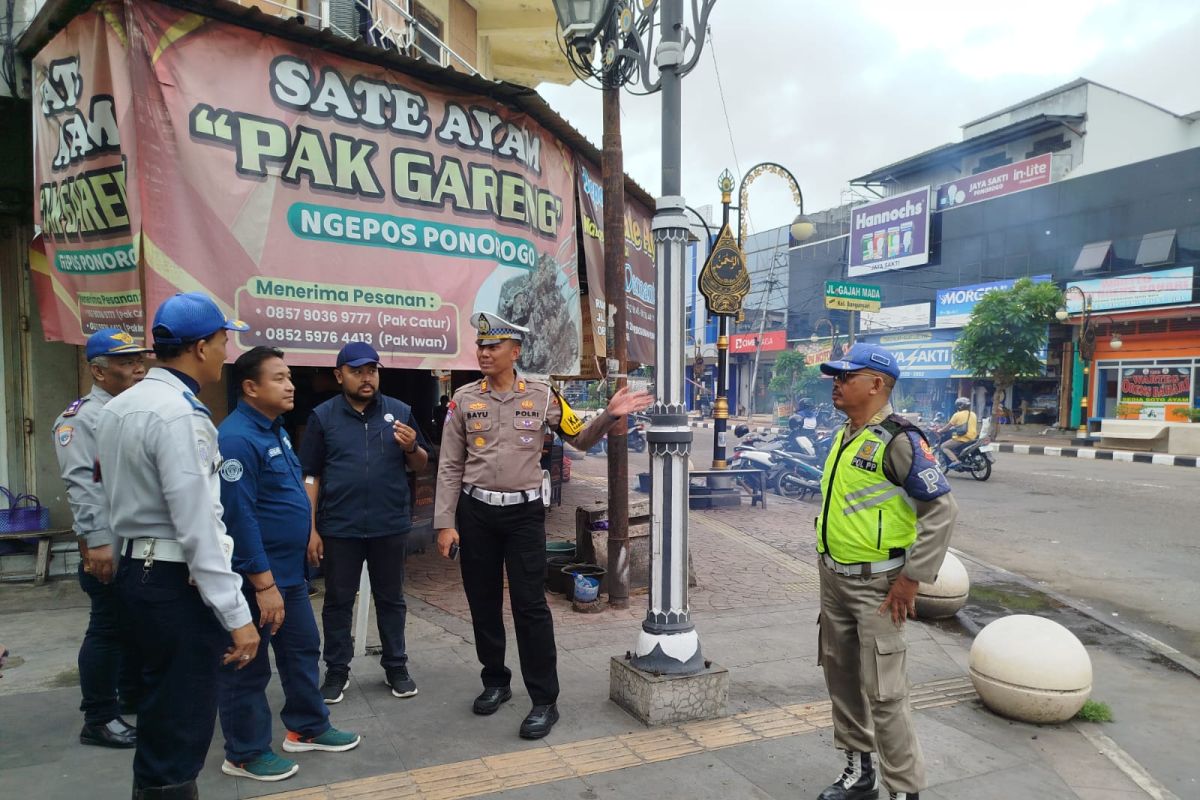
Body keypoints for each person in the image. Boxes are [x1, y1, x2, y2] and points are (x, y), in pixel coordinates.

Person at [434, 312, 652, 740]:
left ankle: (543, 700)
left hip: (523, 516)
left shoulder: (542, 397)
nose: (483, 352)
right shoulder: (462, 399)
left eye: (493, 346)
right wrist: (445, 522)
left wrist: (608, 415)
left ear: (514, 352)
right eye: (480, 345)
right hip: (476, 513)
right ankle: (495, 681)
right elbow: (449, 465)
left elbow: (581, 440)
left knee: (530, 607)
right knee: (481, 603)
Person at [97, 293, 261, 800]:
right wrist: (237, 615)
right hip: (172, 582)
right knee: (180, 727)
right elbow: (199, 524)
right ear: (198, 347)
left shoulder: (122, 405)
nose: (226, 351)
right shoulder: (180, 415)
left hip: (136, 571)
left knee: (157, 713)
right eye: (221, 340)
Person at [813, 343, 958, 800]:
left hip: (880, 587)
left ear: (876, 384)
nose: (836, 383)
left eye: (846, 376)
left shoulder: (900, 439)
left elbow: (941, 512)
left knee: (885, 693)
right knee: (841, 678)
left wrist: (912, 578)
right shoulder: (846, 433)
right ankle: (860, 772)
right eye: (836, 376)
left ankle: (903, 790)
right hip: (834, 579)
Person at [216, 347, 361, 782]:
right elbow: (238, 518)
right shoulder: (237, 438)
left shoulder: (272, 429)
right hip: (258, 578)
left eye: (289, 376)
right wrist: (262, 583)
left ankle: (307, 727)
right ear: (250, 387)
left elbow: (290, 497)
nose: (290, 384)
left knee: (301, 649)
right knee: (249, 663)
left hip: (289, 572)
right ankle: (244, 752)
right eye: (279, 377)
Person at [300, 341, 429, 705]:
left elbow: (420, 463)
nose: (366, 378)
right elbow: (310, 476)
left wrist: (411, 446)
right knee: (338, 600)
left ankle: (396, 666)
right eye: (357, 372)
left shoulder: (399, 411)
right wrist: (309, 529)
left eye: (371, 370)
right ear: (340, 375)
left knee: (392, 599)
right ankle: (337, 671)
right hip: (340, 527)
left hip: (389, 524)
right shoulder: (323, 417)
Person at [53, 328, 150, 750]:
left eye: (139, 360)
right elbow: (83, 485)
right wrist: (95, 542)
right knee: (107, 628)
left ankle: (129, 694)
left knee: (132, 623)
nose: (139, 368)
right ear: (98, 370)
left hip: (134, 542)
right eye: (127, 363)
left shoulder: (133, 409)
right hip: (106, 544)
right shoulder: (81, 418)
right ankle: (98, 717)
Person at [938, 397, 978, 468]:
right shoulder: (973, 414)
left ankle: (955, 461)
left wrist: (940, 430)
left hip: (962, 438)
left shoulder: (957, 415)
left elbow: (948, 427)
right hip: (973, 437)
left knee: (943, 446)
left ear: (959, 406)